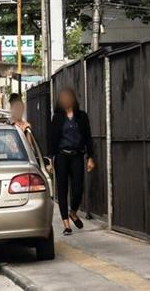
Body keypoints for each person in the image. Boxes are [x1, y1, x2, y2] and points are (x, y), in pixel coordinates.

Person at [49, 87, 96, 236]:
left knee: (77, 189)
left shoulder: (82, 116)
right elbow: (51, 139)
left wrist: (90, 157)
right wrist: (50, 160)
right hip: (61, 156)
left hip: (77, 155)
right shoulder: (57, 117)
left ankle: (73, 212)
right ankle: (66, 224)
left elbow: (88, 137)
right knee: (62, 190)